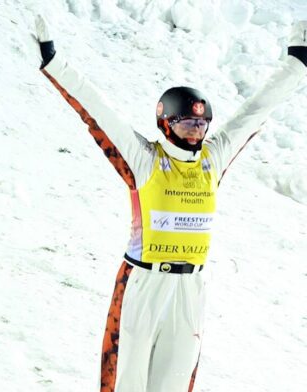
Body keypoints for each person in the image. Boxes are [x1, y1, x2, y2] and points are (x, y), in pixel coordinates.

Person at [34, 15, 307, 392]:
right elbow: (97, 110)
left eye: (202, 124)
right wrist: (53, 62)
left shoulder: (212, 160)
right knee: (127, 382)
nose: (197, 130)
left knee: (175, 385)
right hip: (144, 282)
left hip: (190, 290)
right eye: (187, 123)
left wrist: (297, 63)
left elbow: (254, 112)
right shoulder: (144, 158)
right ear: (166, 123)